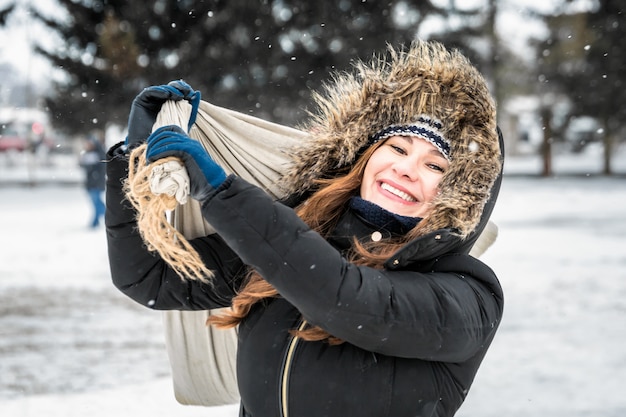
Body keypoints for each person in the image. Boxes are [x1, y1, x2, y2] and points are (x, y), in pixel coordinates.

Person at [105, 40, 504, 417]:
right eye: (398, 148)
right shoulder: (293, 240)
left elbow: (344, 299)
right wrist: (134, 158)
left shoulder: (468, 293)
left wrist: (220, 192)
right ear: (365, 157)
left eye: (435, 165)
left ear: (460, 193)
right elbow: (147, 277)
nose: (405, 168)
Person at [79, 134, 106, 228]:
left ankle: (95, 222)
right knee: (96, 203)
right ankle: (100, 220)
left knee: (97, 203)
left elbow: (102, 168)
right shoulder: (87, 153)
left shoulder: (99, 154)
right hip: (90, 183)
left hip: (96, 183)